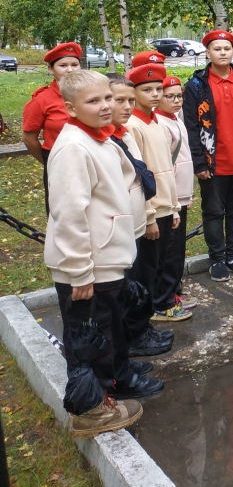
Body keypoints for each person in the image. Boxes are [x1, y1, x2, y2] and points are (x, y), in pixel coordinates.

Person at [43, 70, 151, 438]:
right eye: (94, 101)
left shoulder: (98, 140)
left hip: (105, 259)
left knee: (102, 333)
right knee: (88, 338)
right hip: (90, 265)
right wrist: (79, 271)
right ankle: (91, 411)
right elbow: (69, 212)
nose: (106, 106)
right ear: (70, 108)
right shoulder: (74, 147)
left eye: (108, 97)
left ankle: (103, 394)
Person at [182, 30, 233, 282]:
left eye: (227, 48)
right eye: (217, 49)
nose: (222, 53)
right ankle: (217, 259)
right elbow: (190, 127)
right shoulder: (196, 86)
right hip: (213, 163)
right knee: (213, 212)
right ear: (207, 53)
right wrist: (199, 162)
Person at [107, 74, 173, 359]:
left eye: (129, 101)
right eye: (118, 100)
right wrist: (149, 215)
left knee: (148, 274)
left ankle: (140, 328)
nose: (126, 106)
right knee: (140, 277)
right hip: (136, 221)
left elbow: (145, 175)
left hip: (149, 215)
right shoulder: (121, 133)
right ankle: (134, 334)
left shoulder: (126, 131)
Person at [124, 61, 187, 322]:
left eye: (158, 89)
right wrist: (149, 214)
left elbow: (165, 170)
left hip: (165, 205)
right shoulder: (133, 126)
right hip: (151, 207)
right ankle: (149, 312)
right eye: (147, 90)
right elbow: (140, 174)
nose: (155, 95)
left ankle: (157, 305)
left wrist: (173, 207)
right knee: (147, 268)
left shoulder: (157, 122)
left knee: (161, 261)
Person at [22, 42, 83, 210]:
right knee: (62, 209)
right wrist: (48, 161)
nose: (70, 70)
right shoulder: (42, 100)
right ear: (51, 69)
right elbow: (29, 138)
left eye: (74, 64)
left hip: (90, 156)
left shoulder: (90, 93)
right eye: (63, 65)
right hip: (58, 159)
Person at [156, 75, 198, 312]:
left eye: (179, 96)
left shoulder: (174, 119)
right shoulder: (161, 124)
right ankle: (165, 298)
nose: (176, 100)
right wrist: (174, 202)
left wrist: (186, 196)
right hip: (169, 199)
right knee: (169, 251)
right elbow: (165, 167)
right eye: (169, 96)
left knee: (176, 249)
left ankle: (173, 291)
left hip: (180, 195)